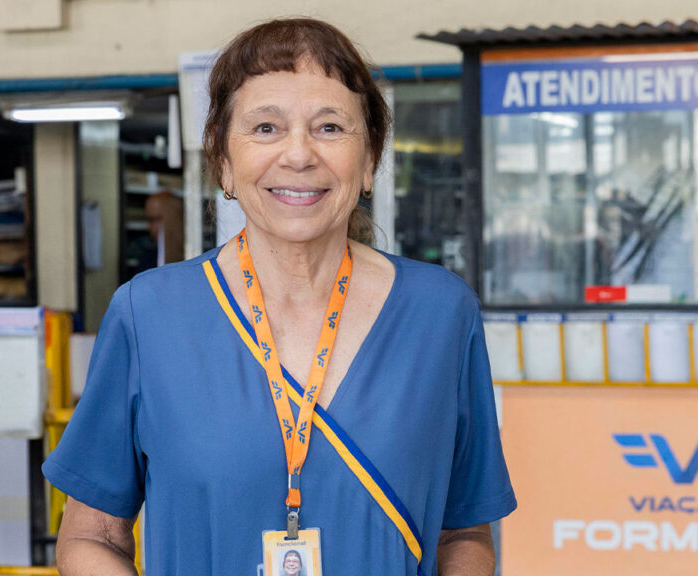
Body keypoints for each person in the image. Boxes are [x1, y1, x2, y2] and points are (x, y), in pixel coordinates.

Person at [44, 17, 516, 576]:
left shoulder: (440, 313)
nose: (298, 154)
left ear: (369, 162)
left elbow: (464, 532)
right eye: (266, 128)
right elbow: (91, 537)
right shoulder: (149, 315)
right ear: (222, 159)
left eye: (331, 128)